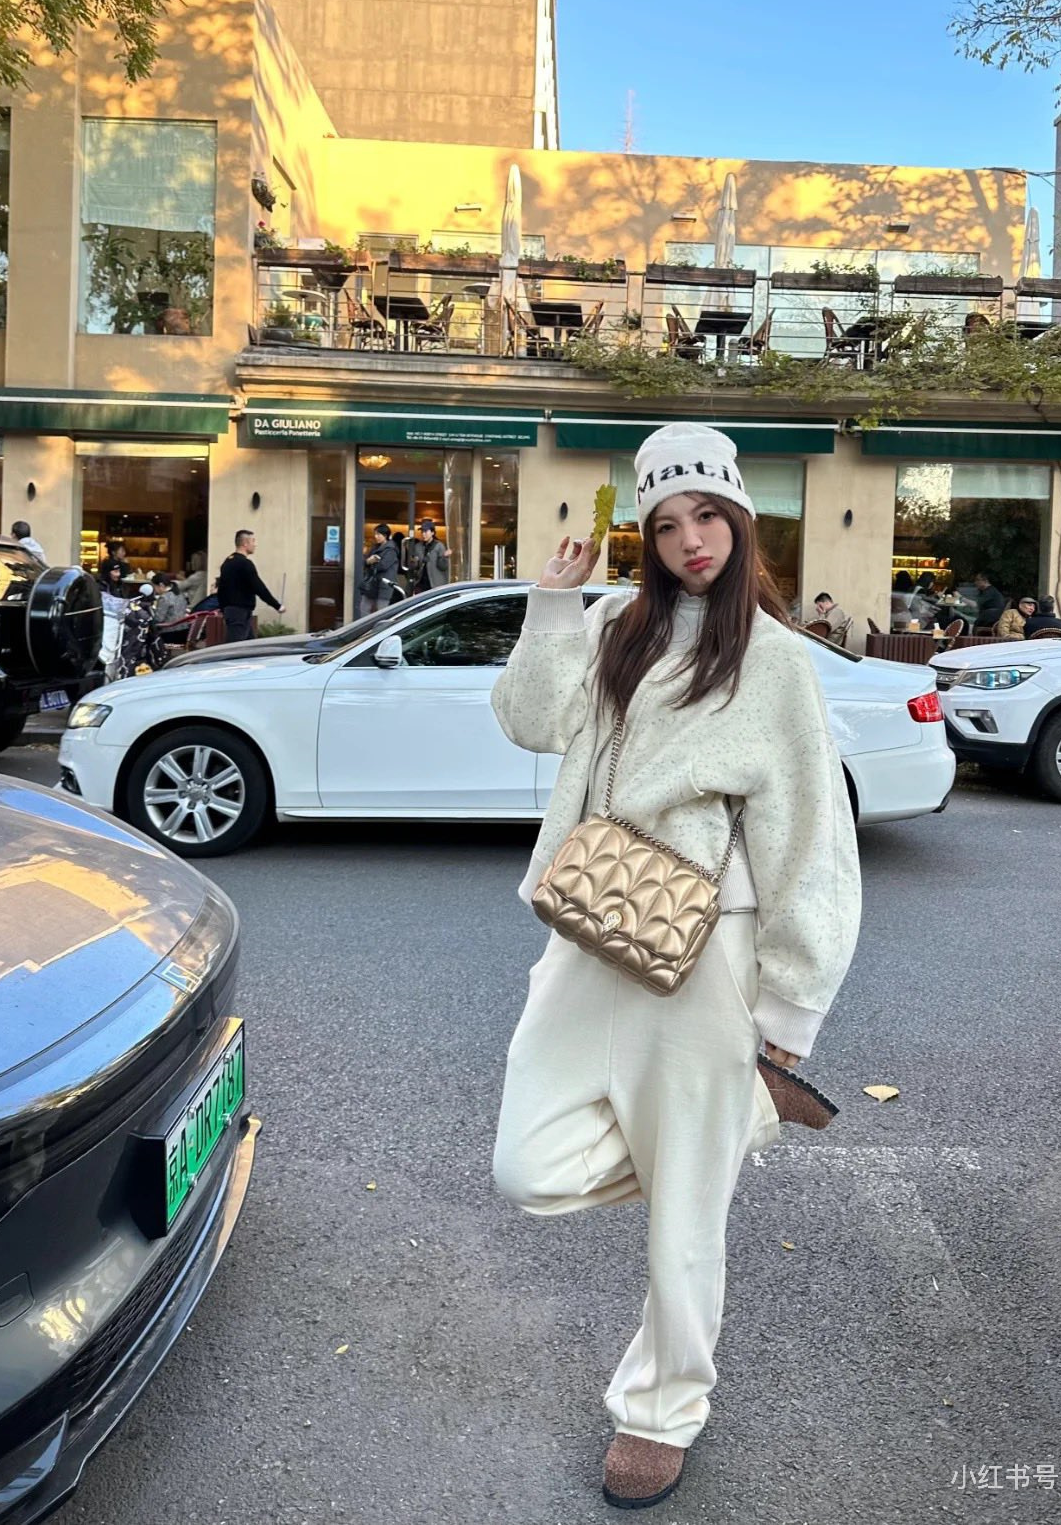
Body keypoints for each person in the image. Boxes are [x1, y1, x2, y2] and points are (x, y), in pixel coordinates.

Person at [490, 423, 861, 1510]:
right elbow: (529, 721)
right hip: (588, 925)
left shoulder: (775, 660)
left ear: (738, 518)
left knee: (684, 1221)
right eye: (664, 524)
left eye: (706, 515)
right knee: (528, 1164)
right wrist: (552, 604)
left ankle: (660, 1410)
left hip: (706, 945)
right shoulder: (616, 627)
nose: (690, 539)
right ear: (644, 538)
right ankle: (738, 1118)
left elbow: (808, 839)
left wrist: (789, 1009)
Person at [218, 529, 284, 643]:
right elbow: (258, 587)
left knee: (250, 645)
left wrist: (223, 608)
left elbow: (222, 588)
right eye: (253, 541)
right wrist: (277, 605)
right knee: (236, 647)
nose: (255, 544)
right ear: (245, 544)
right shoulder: (245, 564)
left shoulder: (227, 562)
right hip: (239, 612)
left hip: (233, 611)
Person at [358, 523, 402, 617]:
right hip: (372, 584)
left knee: (381, 612)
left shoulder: (391, 549)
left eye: (378, 534)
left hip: (384, 585)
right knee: (364, 608)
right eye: (375, 534)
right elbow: (365, 561)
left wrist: (373, 562)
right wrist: (369, 561)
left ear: (385, 535)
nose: (376, 536)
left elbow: (383, 566)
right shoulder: (375, 547)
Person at [404, 518, 451, 593]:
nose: (423, 534)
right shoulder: (418, 546)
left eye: (426, 531)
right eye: (422, 531)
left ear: (432, 533)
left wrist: (445, 557)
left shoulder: (439, 546)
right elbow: (415, 566)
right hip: (420, 583)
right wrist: (414, 562)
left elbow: (443, 567)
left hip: (435, 584)